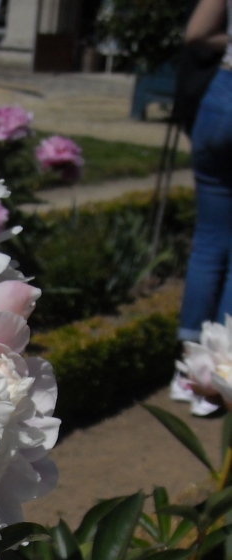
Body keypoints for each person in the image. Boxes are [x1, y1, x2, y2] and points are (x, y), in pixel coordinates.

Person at [178, 0, 232, 339]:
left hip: (222, 94)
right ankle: (222, 371)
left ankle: (190, 368)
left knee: (210, 242)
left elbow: (197, 33)